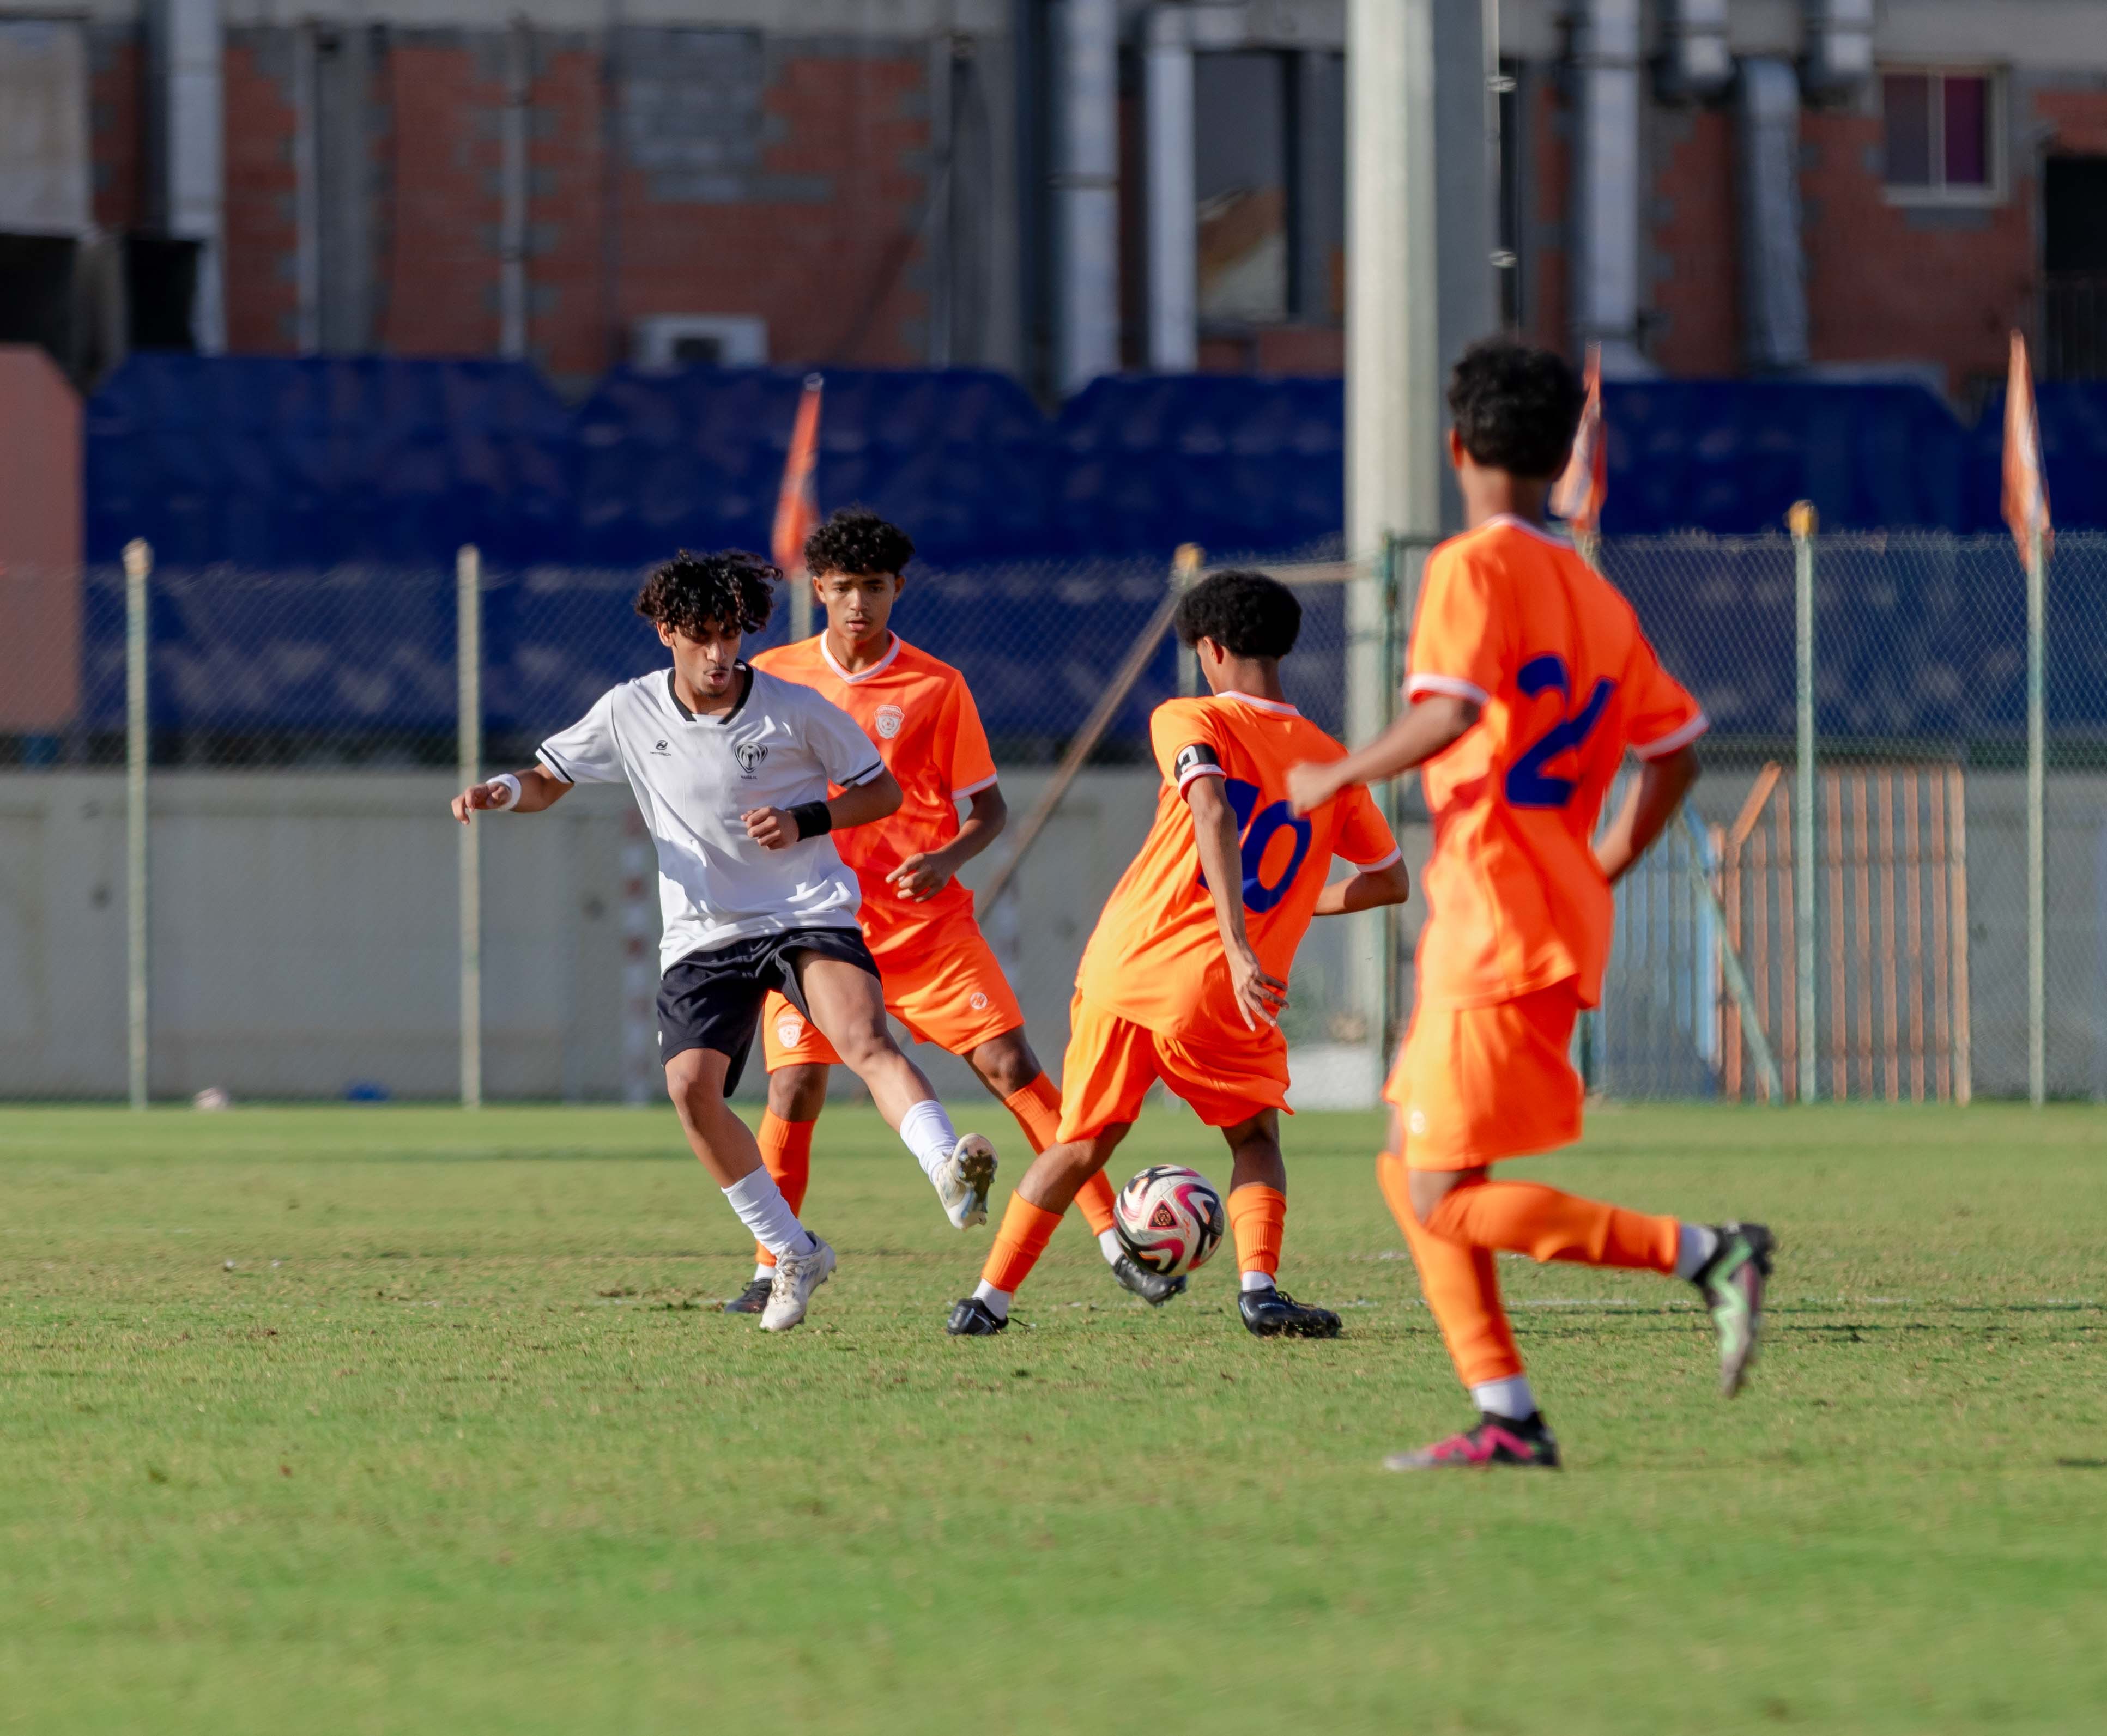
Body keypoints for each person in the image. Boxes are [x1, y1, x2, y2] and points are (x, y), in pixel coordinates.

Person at [1284, 338, 1772, 1470]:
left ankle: (1705, 1254)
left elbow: (1449, 714)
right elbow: (1678, 751)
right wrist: (1597, 866)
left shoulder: (1469, 568)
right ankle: (1507, 1416)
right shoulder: (1594, 594)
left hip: (1495, 910)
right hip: (1541, 897)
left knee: (1441, 1195)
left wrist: (1339, 773)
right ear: (1560, 460)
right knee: (1412, 1175)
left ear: (1455, 448)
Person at [449, 549, 1000, 1332]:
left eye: (731, 635)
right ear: (667, 633)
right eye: (702, 635)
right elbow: (548, 779)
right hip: (704, 931)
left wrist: (806, 820)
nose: (719, 654)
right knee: (689, 1090)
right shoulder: (627, 711)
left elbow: (878, 788)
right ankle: (792, 1252)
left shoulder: (793, 708)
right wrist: (501, 791)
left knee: (862, 1038)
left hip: (804, 911)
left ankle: (947, 1167)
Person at [946, 568, 1413, 1339]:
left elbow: (1209, 802)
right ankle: (1259, 1290)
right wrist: (1251, 933)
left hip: (1123, 967)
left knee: (1083, 1141)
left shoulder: (1185, 715)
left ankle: (986, 1303)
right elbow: (1388, 879)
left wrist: (1244, 927)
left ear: (1210, 648)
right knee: (1254, 1138)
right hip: (1218, 987)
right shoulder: (1330, 759)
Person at [726, 508, 1165, 1314]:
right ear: (817, 587)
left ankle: (1118, 1242)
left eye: (874, 587)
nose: (858, 602)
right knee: (793, 1093)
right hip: (813, 926)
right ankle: (769, 1268)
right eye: (843, 586)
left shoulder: (935, 684)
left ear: (898, 588)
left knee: (1011, 1067)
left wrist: (947, 858)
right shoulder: (775, 677)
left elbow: (987, 808)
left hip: (925, 927)